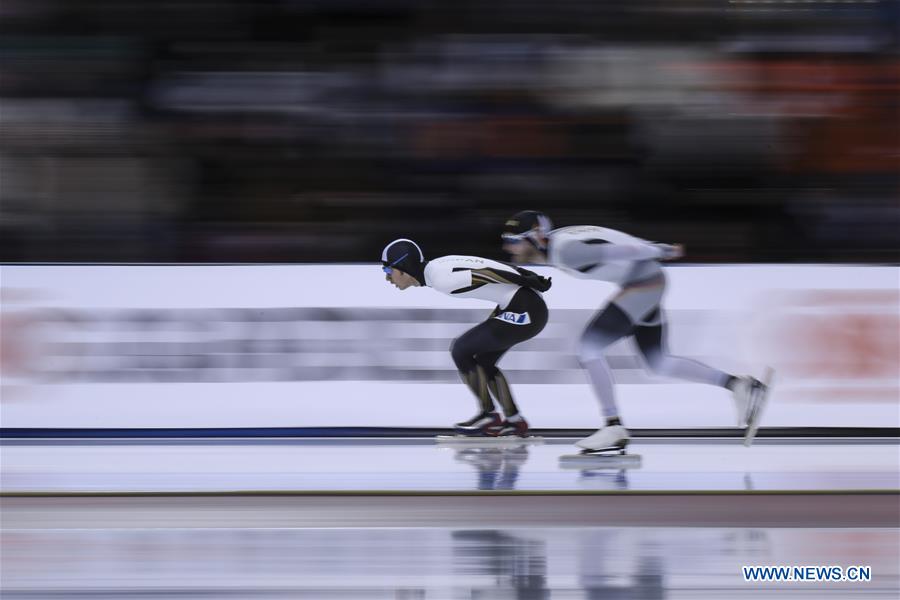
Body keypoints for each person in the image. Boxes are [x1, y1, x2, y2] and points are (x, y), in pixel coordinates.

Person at [500, 211, 769, 453]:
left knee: (589, 348)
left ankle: (613, 426)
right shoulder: (556, 243)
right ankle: (740, 385)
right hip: (646, 281)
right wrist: (652, 251)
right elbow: (612, 240)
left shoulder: (565, 251)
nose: (507, 247)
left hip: (643, 283)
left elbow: (617, 252)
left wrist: (658, 250)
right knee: (658, 362)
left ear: (535, 238)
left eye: (514, 241)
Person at [382, 238, 551, 437]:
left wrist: (529, 280)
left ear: (403, 267)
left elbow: (487, 273)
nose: (387, 279)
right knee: (483, 362)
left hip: (526, 309)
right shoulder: (437, 266)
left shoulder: (442, 279)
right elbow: (489, 265)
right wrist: (528, 276)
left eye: (388, 271)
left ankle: (489, 416)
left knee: (461, 349)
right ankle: (514, 421)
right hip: (521, 305)